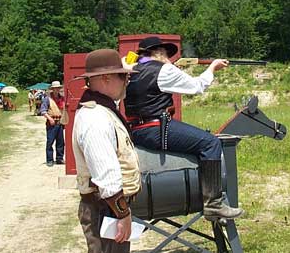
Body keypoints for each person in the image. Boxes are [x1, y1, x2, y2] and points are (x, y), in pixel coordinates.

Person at [124, 36, 244, 221]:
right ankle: (213, 204)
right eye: (166, 54)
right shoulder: (163, 69)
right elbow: (197, 86)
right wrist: (212, 67)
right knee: (210, 142)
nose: (169, 58)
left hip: (137, 130)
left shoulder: (130, 70)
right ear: (160, 53)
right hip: (155, 129)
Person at [73, 48, 140, 253]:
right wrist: (123, 214)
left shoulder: (102, 108)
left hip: (107, 207)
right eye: (123, 76)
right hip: (107, 208)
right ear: (106, 78)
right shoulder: (96, 118)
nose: (127, 80)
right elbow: (106, 175)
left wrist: (125, 67)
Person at [40, 81, 65, 167]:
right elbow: (43, 111)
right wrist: (49, 118)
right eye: (55, 88)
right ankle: (49, 160)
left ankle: (59, 158)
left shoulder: (62, 98)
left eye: (58, 88)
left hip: (60, 122)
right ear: (52, 89)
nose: (57, 90)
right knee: (50, 142)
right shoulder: (47, 99)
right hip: (51, 123)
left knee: (60, 142)